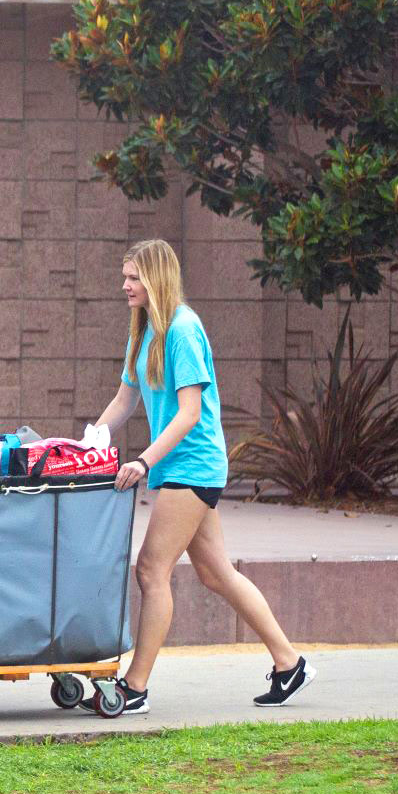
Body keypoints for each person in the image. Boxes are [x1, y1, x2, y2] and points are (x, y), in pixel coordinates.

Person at [89, 238, 308, 714]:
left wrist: (143, 461)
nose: (125, 285)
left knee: (151, 569)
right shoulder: (143, 329)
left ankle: (136, 687)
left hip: (194, 465)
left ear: (156, 278)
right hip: (178, 466)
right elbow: (125, 400)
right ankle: (290, 664)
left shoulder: (183, 330)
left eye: (133, 277)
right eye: (125, 276)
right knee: (215, 573)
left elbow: (189, 413)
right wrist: (84, 444)